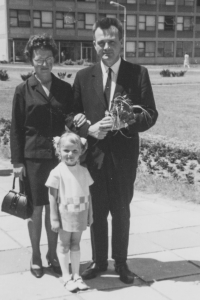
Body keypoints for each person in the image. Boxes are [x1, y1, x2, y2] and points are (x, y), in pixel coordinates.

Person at [73, 17, 158, 284]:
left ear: (121, 43)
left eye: (112, 41)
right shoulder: (84, 76)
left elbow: (151, 115)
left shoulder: (138, 73)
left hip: (123, 158)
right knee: (97, 213)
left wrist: (125, 122)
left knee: (121, 211)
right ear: (94, 44)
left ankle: (121, 263)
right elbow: (70, 115)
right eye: (101, 42)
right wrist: (88, 128)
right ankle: (99, 262)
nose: (106, 47)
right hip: (94, 158)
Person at [10, 33, 86, 279]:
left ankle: (52, 255)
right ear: (31, 60)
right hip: (32, 158)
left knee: (55, 207)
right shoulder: (23, 90)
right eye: (39, 58)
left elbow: (69, 117)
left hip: (57, 159)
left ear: (55, 59)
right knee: (36, 209)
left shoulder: (64, 88)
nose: (44, 63)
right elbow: (16, 127)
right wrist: (17, 162)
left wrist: (76, 122)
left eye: (49, 58)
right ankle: (35, 255)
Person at [45, 132, 93, 292]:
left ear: (81, 151)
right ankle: (66, 276)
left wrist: (90, 214)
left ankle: (76, 274)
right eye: (66, 150)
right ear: (58, 151)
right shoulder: (57, 172)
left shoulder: (84, 171)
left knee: (76, 244)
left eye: (74, 150)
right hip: (65, 215)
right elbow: (52, 197)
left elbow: (88, 194)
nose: (70, 154)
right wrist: (54, 219)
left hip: (79, 214)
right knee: (64, 244)